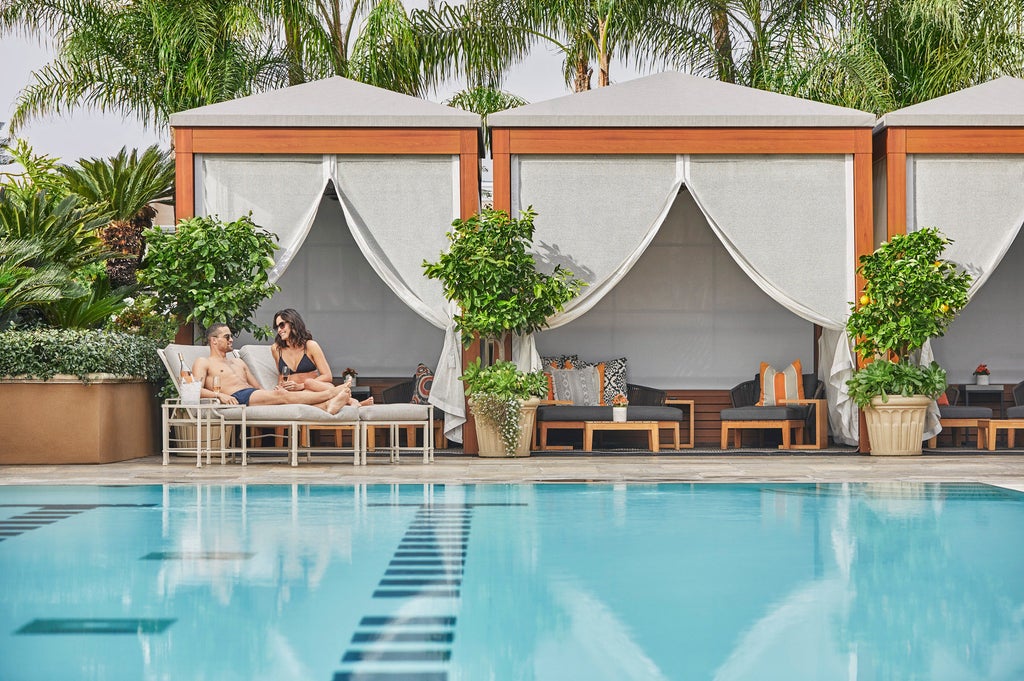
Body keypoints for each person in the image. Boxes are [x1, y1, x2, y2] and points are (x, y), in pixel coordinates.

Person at [193, 323, 353, 414]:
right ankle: (332, 393)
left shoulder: (238, 362)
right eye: (227, 337)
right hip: (236, 397)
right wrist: (219, 395)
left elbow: (258, 388)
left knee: (282, 398)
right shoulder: (203, 362)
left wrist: (271, 394)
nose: (231, 340)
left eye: (231, 336)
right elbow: (194, 390)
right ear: (213, 341)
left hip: (251, 396)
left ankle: (326, 406)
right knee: (283, 396)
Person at [271, 308, 372, 406]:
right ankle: (351, 402)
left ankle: (348, 401)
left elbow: (327, 376)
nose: (279, 330)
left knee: (309, 383)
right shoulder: (276, 349)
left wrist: (301, 385)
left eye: (282, 325)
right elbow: (282, 375)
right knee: (305, 396)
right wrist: (281, 387)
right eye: (277, 327)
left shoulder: (310, 346)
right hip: (295, 394)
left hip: (315, 388)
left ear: (293, 324)